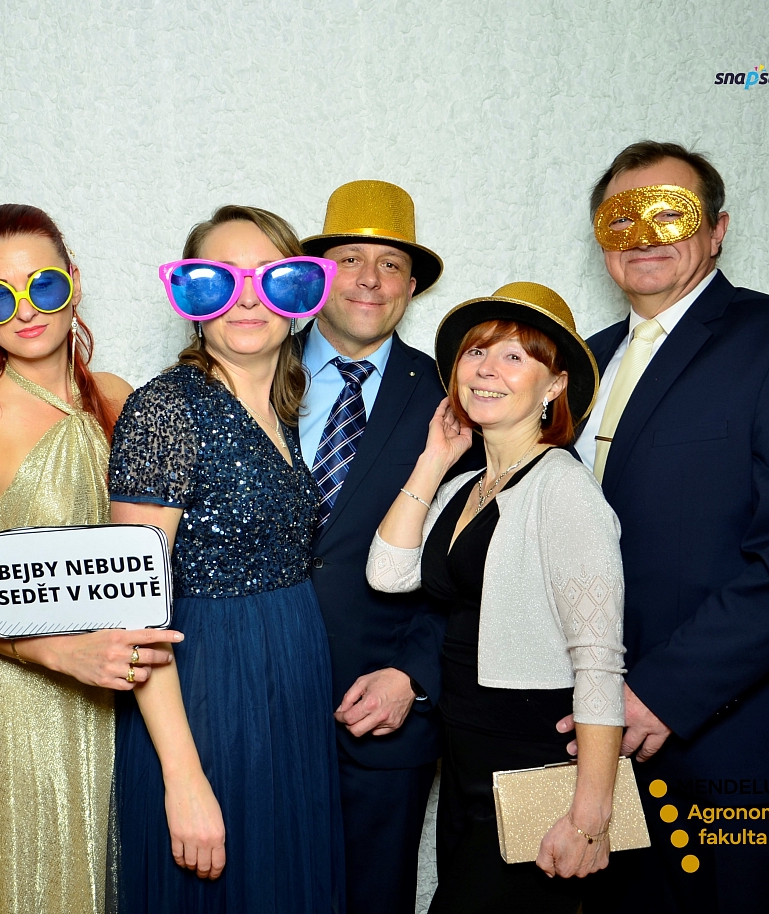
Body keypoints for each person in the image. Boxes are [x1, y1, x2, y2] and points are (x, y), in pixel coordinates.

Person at [564, 140, 769, 912]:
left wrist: (663, 692)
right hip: (604, 741)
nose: (644, 234)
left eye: (671, 213)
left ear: (718, 229)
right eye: (621, 218)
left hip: (747, 740)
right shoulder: (583, 365)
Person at [0, 204, 173, 914]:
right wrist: (64, 654)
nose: (26, 310)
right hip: (21, 710)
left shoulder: (122, 399)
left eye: (44, 285)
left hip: (134, 699)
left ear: (75, 282)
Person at [109, 205, 345, 911]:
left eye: (271, 278)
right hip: (208, 696)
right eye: (222, 279)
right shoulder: (166, 409)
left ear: (301, 296)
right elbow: (132, 611)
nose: (247, 298)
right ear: (192, 299)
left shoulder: (282, 408)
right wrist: (183, 778)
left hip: (289, 690)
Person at [366, 282, 625, 912]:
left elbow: (598, 659)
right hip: (463, 754)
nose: (486, 369)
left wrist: (591, 814)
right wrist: (435, 458)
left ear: (555, 385)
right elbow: (389, 573)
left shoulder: (563, 488)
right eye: (477, 352)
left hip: (533, 761)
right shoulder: (468, 485)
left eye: (514, 357)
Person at [297, 179, 482, 913]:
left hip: (382, 714)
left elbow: (478, 562)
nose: (369, 279)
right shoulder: (250, 368)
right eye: (349, 259)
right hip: (253, 700)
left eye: (391, 264)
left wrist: (413, 674)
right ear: (317, 275)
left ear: (410, 287)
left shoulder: (456, 397)